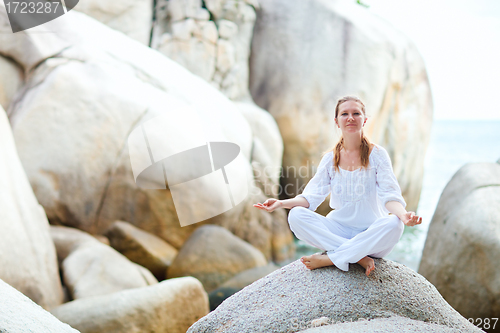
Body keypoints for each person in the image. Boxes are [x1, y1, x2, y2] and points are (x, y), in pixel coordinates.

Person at [253, 96, 421, 277]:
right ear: (337, 121)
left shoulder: (378, 155)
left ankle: (332, 258)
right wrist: (280, 203)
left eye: (356, 113)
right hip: (338, 230)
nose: (350, 118)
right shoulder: (329, 159)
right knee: (295, 215)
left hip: (370, 236)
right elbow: (310, 198)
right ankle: (356, 257)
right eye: (344, 114)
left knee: (395, 224)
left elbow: (390, 196)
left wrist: (404, 216)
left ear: (364, 120)